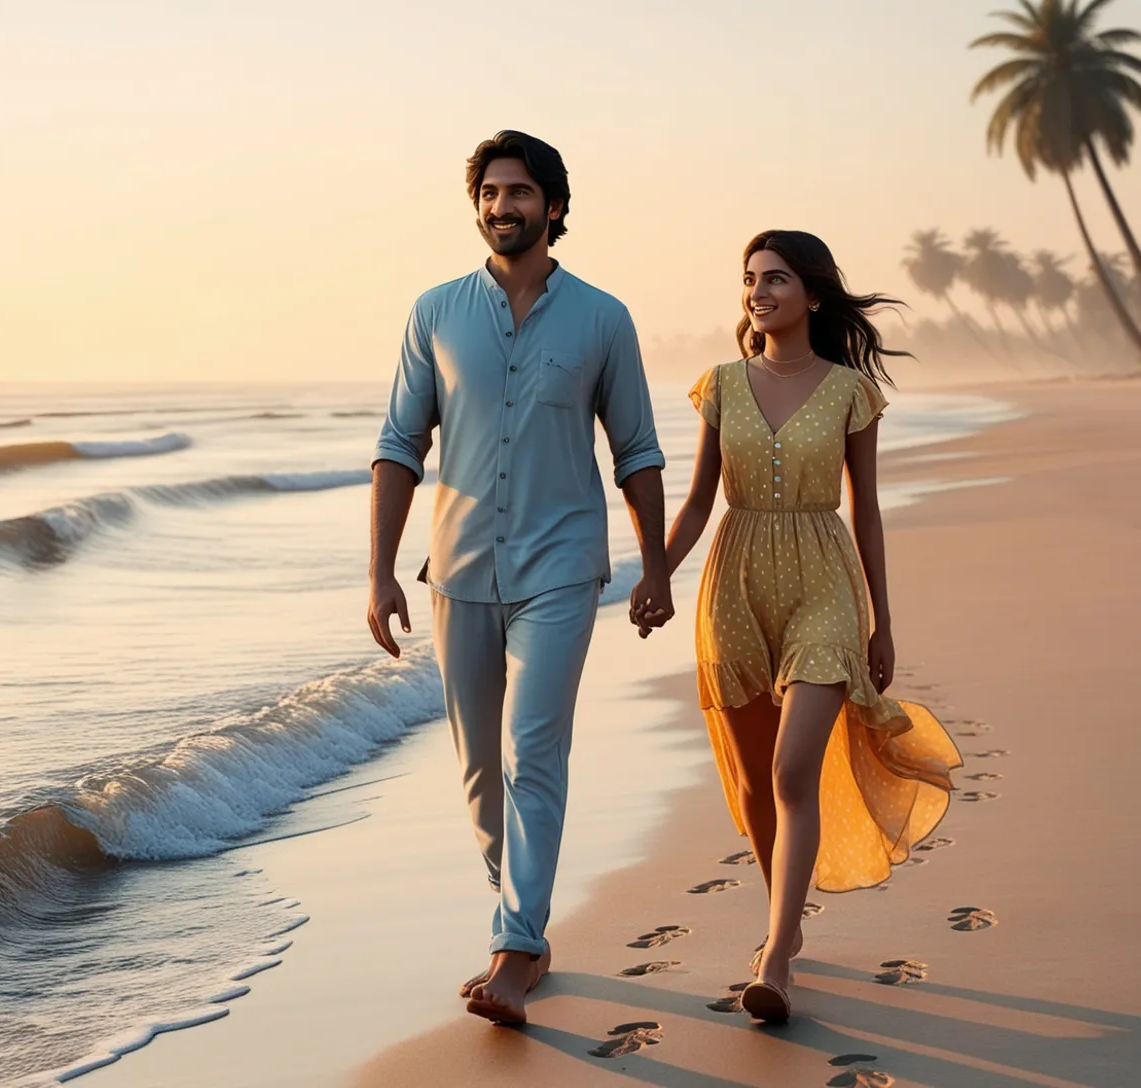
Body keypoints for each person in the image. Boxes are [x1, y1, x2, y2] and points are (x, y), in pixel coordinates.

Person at [367, 131, 672, 1026]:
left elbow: (638, 450)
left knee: (532, 750)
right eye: (492, 193)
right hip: (456, 570)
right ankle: (526, 923)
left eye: (521, 192)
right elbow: (398, 446)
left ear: (555, 208)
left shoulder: (603, 319)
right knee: (478, 774)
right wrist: (380, 573)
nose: (504, 207)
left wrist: (655, 565)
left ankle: (513, 945)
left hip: (561, 568)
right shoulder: (434, 312)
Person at [638, 230, 961, 1022]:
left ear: (812, 294)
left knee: (790, 774)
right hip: (735, 583)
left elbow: (869, 513)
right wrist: (655, 574)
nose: (758, 291)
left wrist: (883, 625)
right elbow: (698, 501)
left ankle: (777, 957)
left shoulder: (851, 390)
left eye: (775, 278)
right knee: (753, 786)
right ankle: (786, 916)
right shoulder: (719, 384)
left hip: (825, 579)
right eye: (749, 279)